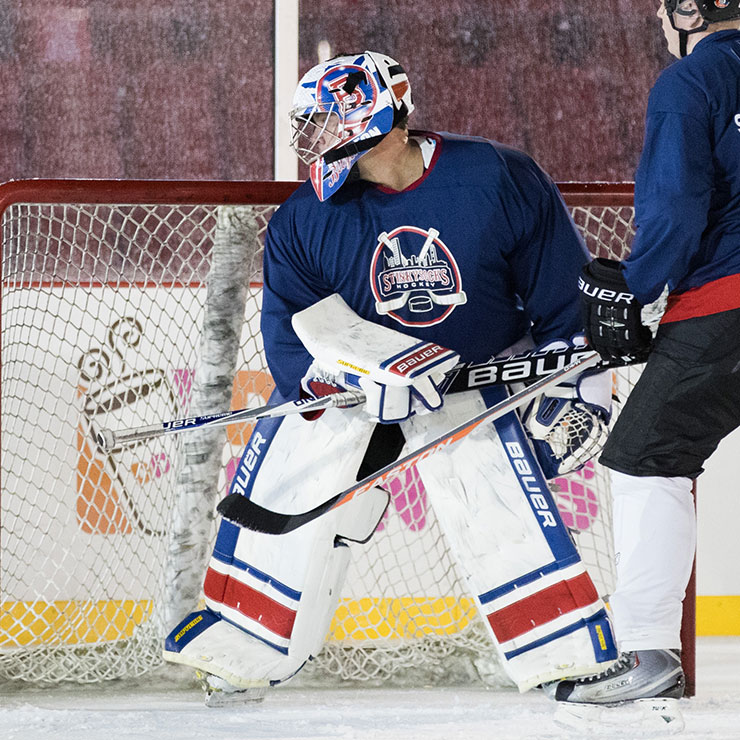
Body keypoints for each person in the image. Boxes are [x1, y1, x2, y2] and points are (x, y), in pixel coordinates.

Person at [162, 51, 616, 706]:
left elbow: (563, 302)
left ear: (377, 116)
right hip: (357, 389)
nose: (310, 140)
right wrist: (330, 383)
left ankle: (569, 656)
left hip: (473, 386)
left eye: (324, 122)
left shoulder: (497, 177)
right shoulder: (304, 218)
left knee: (492, 492)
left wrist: (581, 387)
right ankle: (238, 644)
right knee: (288, 474)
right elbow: (287, 338)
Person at [550, 1, 740, 733]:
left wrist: (628, 292)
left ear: (691, 11)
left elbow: (676, 210)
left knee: (645, 459)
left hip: (727, 303)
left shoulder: (693, 81)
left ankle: (648, 655)